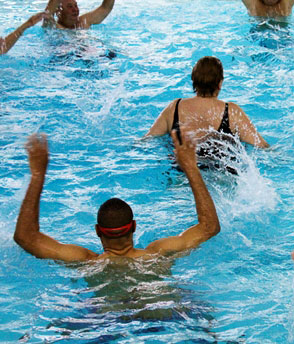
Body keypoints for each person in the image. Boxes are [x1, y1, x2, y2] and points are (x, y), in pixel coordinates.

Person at [14, 131, 220, 262]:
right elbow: (209, 227)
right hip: (160, 313)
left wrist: (38, 175)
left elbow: (26, 237)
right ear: (134, 226)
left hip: (102, 320)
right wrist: (191, 167)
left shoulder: (85, 262)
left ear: (97, 231)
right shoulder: (157, 255)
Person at [145, 56, 269, 150]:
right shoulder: (230, 111)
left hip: (184, 170)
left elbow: (147, 140)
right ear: (220, 83)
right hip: (219, 174)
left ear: (193, 80)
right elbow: (261, 145)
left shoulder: (175, 107)